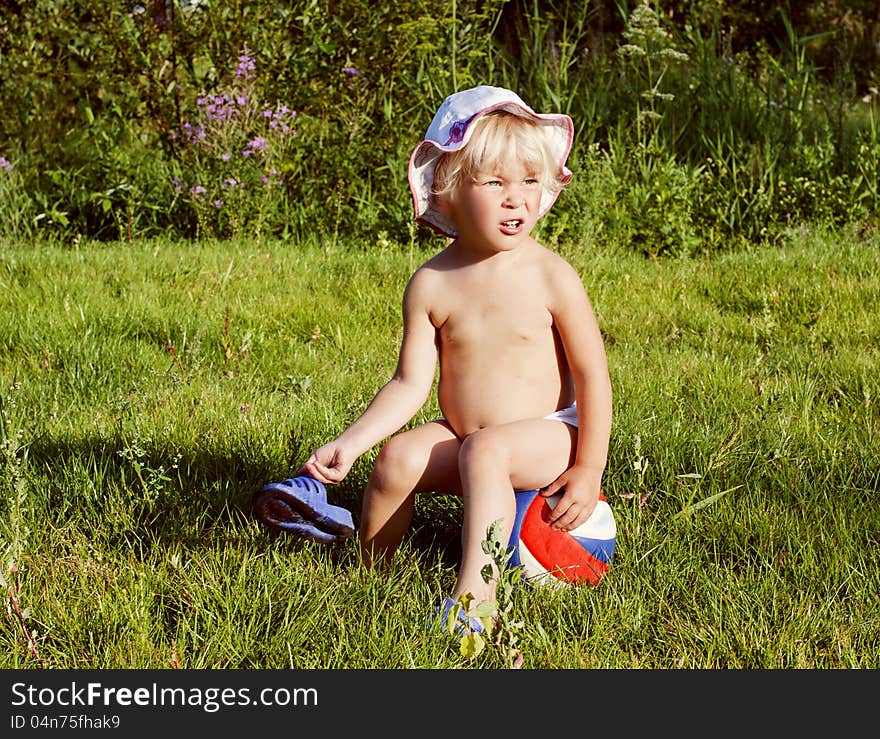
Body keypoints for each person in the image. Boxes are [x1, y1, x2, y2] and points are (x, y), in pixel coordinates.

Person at [299, 85, 612, 628]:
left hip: (549, 435)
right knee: (396, 460)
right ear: (446, 189)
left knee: (486, 452)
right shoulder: (432, 284)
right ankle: (366, 580)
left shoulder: (550, 275)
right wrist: (349, 443)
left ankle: (476, 599)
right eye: (495, 183)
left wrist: (589, 466)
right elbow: (409, 385)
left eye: (529, 182)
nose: (516, 198)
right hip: (468, 438)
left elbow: (593, 376)